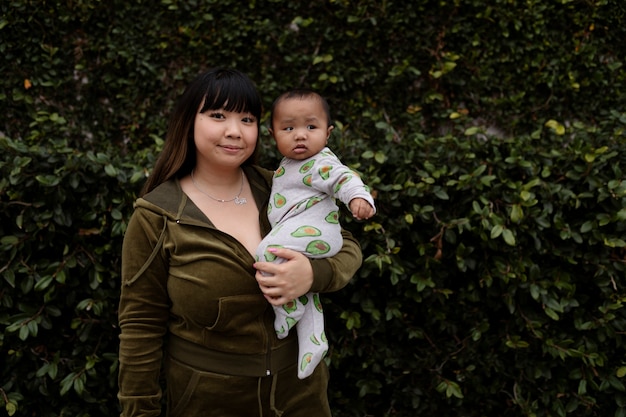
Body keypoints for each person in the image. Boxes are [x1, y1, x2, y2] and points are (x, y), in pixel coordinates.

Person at [117, 68, 363, 417]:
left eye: (247, 119)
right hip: (209, 401)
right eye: (218, 115)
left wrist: (314, 273)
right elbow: (141, 324)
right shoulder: (157, 215)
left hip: (300, 394)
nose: (234, 131)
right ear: (189, 121)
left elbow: (346, 243)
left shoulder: (281, 188)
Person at [256, 89, 375, 380]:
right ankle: (313, 342)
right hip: (303, 235)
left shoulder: (320, 162)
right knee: (301, 284)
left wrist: (359, 198)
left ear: (328, 133)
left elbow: (343, 177)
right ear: (273, 135)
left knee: (267, 253)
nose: (300, 135)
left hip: (318, 233)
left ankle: (287, 308)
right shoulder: (287, 165)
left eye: (311, 127)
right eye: (289, 128)